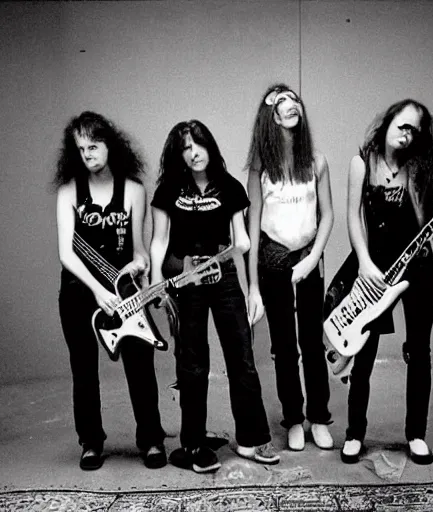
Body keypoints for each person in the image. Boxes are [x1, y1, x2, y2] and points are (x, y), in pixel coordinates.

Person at [331, 99, 433, 465]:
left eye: (414, 131)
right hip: (375, 270)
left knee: (419, 351)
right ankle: (355, 433)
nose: (406, 135)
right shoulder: (362, 162)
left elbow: (428, 230)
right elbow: (353, 217)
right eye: (402, 126)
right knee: (364, 351)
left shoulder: (422, 167)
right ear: (388, 121)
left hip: (418, 269)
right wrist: (363, 263)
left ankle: (416, 434)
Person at [150, 120, 280, 474]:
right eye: (186, 148)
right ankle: (194, 443)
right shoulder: (168, 190)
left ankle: (252, 438)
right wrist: (157, 280)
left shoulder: (231, 187)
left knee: (241, 355)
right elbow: (160, 241)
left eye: (199, 144)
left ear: (211, 146)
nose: (194, 153)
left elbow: (241, 239)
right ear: (178, 155)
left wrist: (243, 250)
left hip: (223, 275)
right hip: (185, 276)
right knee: (192, 362)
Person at [54, 111, 167, 470]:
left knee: (140, 364)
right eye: (81, 148)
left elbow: (138, 248)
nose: (88, 154)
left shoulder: (133, 190)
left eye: (94, 145)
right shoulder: (69, 190)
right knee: (83, 368)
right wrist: (96, 291)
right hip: (79, 291)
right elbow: (66, 253)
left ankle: (150, 439)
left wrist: (140, 263)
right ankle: (91, 442)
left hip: (124, 290)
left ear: (110, 144)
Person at [245, 84, 334, 451]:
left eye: (296, 100)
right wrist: (252, 286)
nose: (291, 105)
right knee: (284, 347)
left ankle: (318, 417)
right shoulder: (260, 168)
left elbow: (327, 215)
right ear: (271, 116)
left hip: (309, 260)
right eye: (282, 102)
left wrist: (312, 259)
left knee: (312, 342)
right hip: (273, 262)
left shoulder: (316, 161)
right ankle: (294, 418)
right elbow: (251, 229)